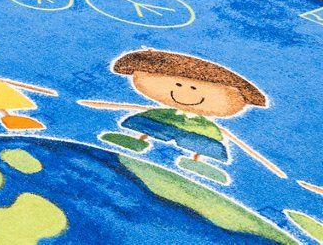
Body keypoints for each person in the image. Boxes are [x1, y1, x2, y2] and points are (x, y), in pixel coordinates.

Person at [78, 49, 285, 185]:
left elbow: (233, 137)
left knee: (201, 142)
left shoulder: (207, 119)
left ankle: (198, 162)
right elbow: (133, 105)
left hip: (199, 127)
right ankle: (137, 141)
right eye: (178, 85)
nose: (186, 93)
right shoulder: (164, 108)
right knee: (149, 125)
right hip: (165, 117)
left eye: (193, 88)